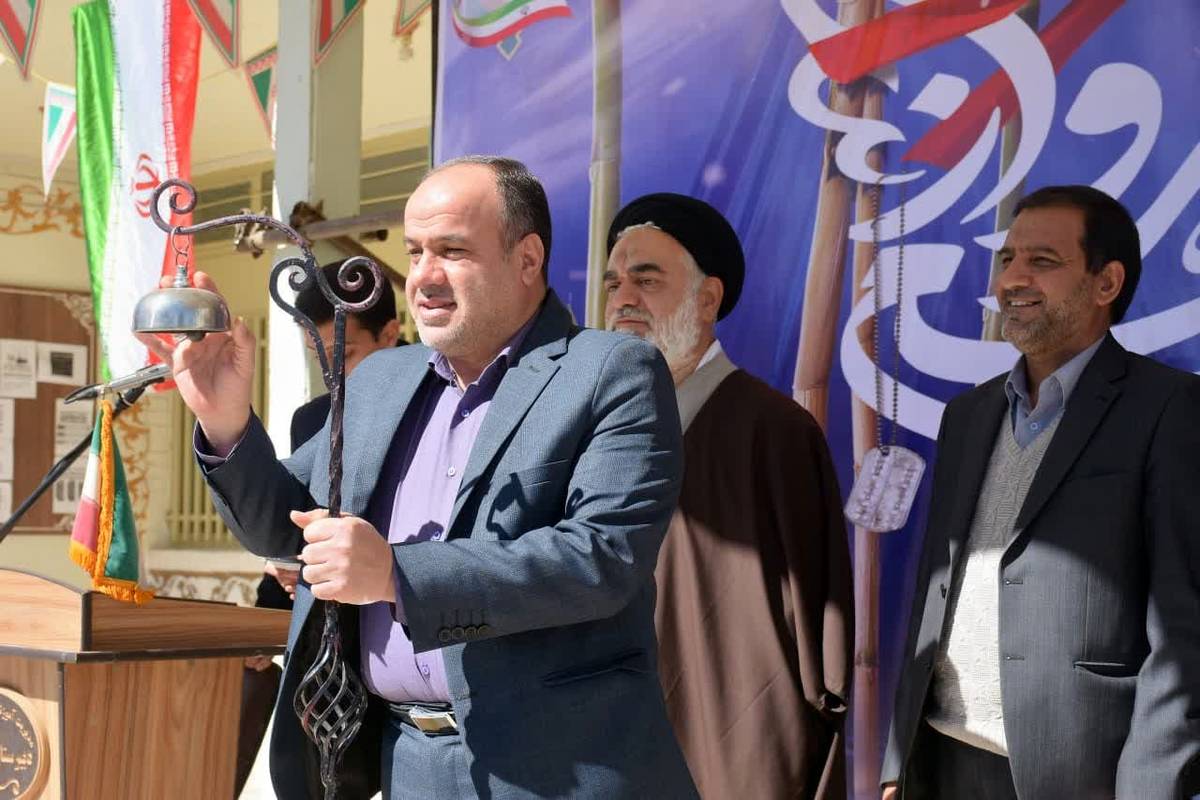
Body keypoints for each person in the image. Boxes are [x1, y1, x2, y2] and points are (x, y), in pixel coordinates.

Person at [144, 156, 697, 799]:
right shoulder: (382, 379)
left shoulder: (611, 371)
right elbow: (287, 525)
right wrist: (226, 423)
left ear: (527, 258)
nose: (424, 277)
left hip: (559, 768)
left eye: (452, 251)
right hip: (405, 763)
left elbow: (602, 558)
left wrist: (394, 574)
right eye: (414, 251)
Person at [880, 185, 1200, 799]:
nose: (1012, 280)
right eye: (1007, 259)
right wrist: (901, 760)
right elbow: (933, 592)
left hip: (1082, 776)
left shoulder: (1169, 409)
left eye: (1042, 261)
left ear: (1106, 283)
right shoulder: (967, 416)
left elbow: (1184, 634)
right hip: (944, 760)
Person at [603, 193, 853, 799]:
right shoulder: (595, 432)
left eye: (646, 280)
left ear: (708, 299)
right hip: (610, 749)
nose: (623, 299)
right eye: (613, 283)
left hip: (735, 753)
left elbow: (818, 628)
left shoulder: (775, 432)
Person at [234, 260, 403, 796]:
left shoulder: (437, 403)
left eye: (345, 355)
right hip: (334, 672)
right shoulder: (313, 418)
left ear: (391, 334)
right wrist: (273, 599)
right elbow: (295, 521)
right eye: (319, 357)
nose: (333, 373)